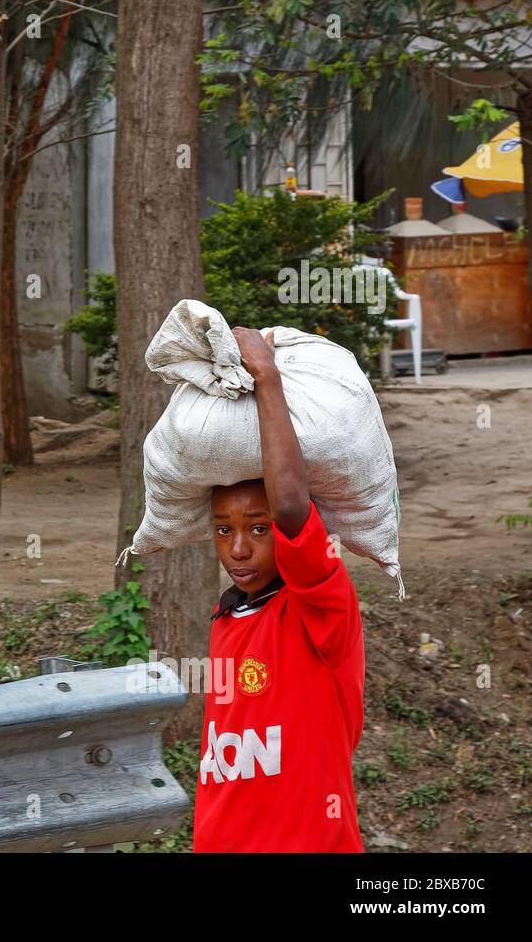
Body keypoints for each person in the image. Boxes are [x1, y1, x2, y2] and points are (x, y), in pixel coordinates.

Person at [192, 328, 365, 852]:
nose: (239, 549)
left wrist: (265, 376)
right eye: (224, 529)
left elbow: (292, 508)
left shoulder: (320, 605)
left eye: (257, 528)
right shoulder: (226, 620)